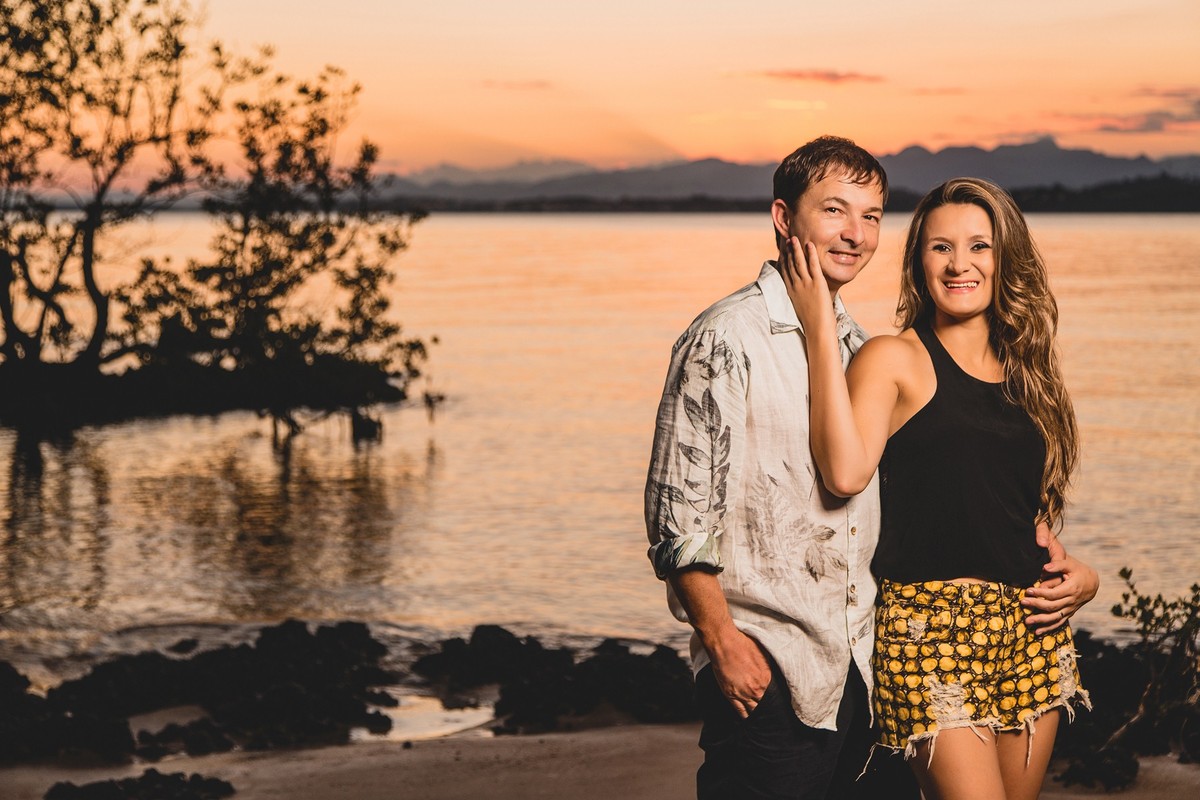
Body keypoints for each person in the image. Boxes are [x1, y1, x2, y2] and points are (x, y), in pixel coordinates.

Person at [645, 136, 1097, 800]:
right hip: (780, 654)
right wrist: (721, 641)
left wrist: (1075, 571)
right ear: (783, 218)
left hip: (863, 655)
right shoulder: (729, 336)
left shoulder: (858, 341)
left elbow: (954, 493)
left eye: (871, 216)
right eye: (834, 210)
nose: (854, 233)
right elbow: (680, 513)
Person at [780, 176, 1093, 800]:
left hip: (1032, 629)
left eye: (979, 246)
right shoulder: (892, 358)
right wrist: (819, 325)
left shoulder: (1028, 373)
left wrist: (1082, 577)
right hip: (929, 632)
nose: (958, 264)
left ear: (1005, 258)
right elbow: (844, 474)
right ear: (918, 261)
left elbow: (1010, 506)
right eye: (940, 247)